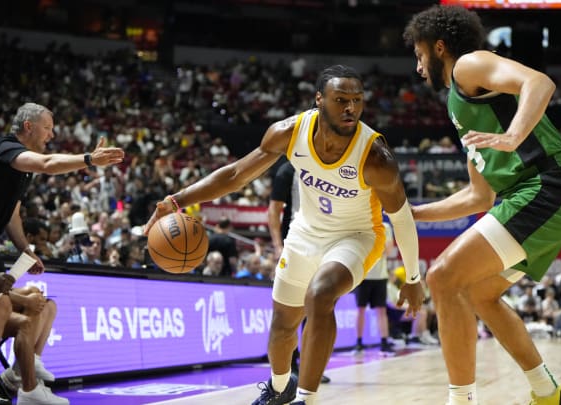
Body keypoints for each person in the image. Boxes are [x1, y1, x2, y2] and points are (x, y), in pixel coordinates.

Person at [144, 65, 424, 405]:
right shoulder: (289, 132)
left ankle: (307, 398)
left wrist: (412, 276)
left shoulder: (376, 157)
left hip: (357, 236)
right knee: (281, 327)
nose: (350, 108)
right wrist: (176, 200)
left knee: (321, 296)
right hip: (304, 233)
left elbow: (402, 218)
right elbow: (235, 174)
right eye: (341, 100)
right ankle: (279, 388)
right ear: (319, 100)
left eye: (357, 100)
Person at [403, 6, 561, 404]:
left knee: (442, 277)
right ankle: (549, 393)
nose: (419, 68)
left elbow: (539, 83)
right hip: (541, 193)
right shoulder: (461, 106)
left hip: (549, 185)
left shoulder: (468, 66)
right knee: (477, 294)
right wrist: (411, 213)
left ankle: (461, 401)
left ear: (440, 48)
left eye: (420, 56)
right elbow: (479, 197)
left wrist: (514, 134)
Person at [0, 102, 124, 404]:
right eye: (47, 128)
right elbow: (48, 163)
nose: (52, 134)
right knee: (7, 305)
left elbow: (12, 213)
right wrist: (89, 159)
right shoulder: (4, 149)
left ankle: (22, 375)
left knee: (45, 304)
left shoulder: (19, 171)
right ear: (28, 127)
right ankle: (26, 384)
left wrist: (26, 250)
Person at [267, 159, 331, 384]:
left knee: (316, 305)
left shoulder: (326, 166)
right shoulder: (287, 170)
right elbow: (274, 210)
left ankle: (310, 367)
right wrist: (277, 246)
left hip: (323, 243)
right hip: (294, 244)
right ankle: (290, 367)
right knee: (291, 310)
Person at [352, 222, 396, 355]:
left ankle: (384, 342)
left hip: (380, 276)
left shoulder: (385, 227)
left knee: (381, 311)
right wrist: (377, 246)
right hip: (363, 275)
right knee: (360, 310)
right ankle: (358, 343)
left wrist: (371, 246)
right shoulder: (360, 224)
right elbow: (357, 249)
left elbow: (388, 250)